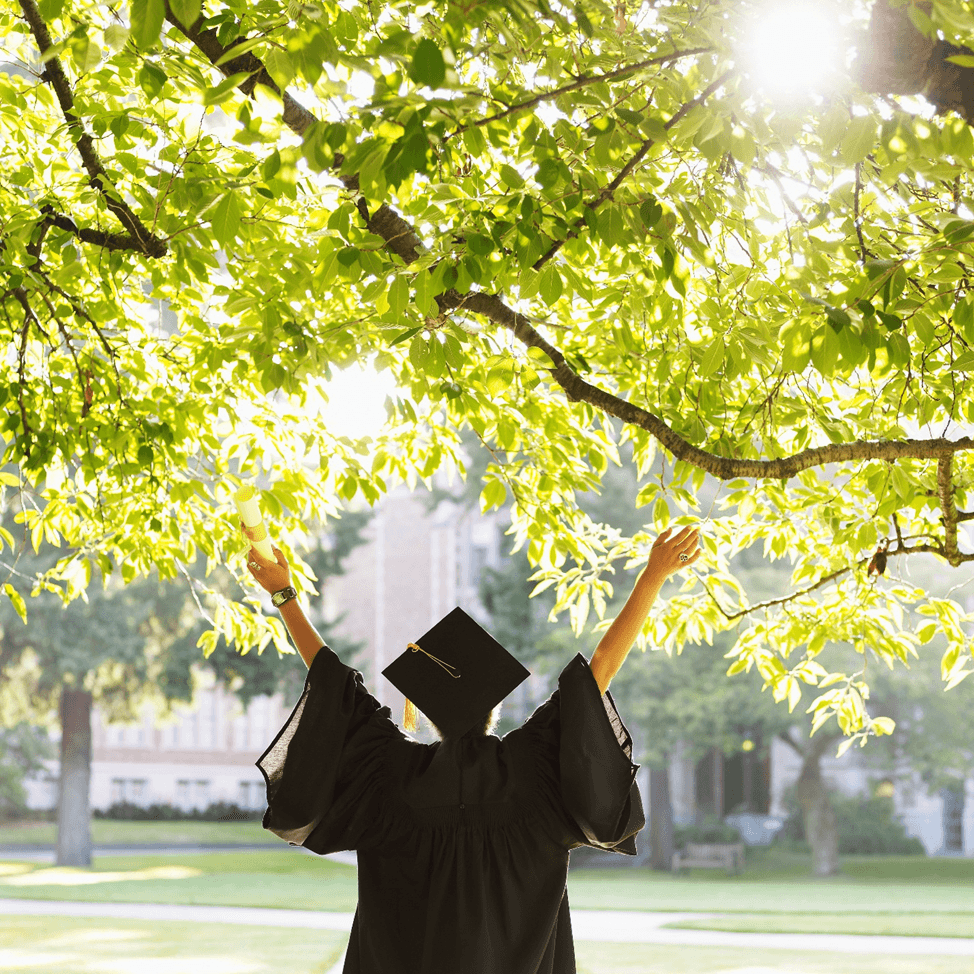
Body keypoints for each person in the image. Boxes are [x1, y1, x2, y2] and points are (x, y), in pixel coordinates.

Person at [244, 523, 700, 974]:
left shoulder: (385, 778)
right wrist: (653, 575)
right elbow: (598, 670)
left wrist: (284, 595)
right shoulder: (538, 772)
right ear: (493, 708)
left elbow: (333, 683)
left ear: (425, 712)